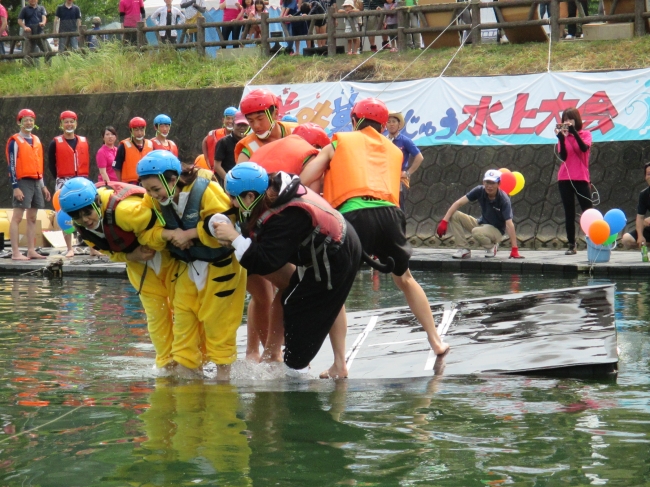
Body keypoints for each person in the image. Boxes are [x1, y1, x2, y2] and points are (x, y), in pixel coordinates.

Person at [300, 97, 449, 358]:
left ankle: (339, 363)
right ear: (382, 127)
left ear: (355, 121)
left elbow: (306, 178)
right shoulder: (394, 150)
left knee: (337, 289)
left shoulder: (340, 141)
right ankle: (436, 340)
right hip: (390, 215)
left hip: (354, 216)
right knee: (405, 279)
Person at [213, 164, 362, 378]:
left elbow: (265, 261)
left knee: (301, 321)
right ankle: (279, 355)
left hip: (334, 255)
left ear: (249, 196)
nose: (231, 203)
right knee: (310, 299)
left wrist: (235, 239)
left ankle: (301, 367)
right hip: (336, 243)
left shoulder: (286, 216)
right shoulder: (271, 192)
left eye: (234, 198)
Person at [137, 150, 247, 380]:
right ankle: (189, 373)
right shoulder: (152, 200)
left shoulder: (207, 191)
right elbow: (146, 233)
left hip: (221, 267)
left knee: (219, 324)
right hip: (187, 267)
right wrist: (168, 234)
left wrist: (191, 234)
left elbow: (227, 231)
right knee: (183, 320)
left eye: (156, 189)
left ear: (173, 179)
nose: (152, 195)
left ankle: (223, 377)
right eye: (147, 190)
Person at [58, 177, 178, 374]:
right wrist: (131, 255)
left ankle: (188, 358)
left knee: (181, 309)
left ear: (97, 202)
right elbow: (109, 252)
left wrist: (153, 241)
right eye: (77, 216)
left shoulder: (125, 211)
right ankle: (167, 362)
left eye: (88, 211)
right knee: (156, 315)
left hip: (168, 256)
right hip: (138, 264)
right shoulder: (82, 228)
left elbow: (163, 223)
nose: (85, 219)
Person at [437, 169, 523, 260]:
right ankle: (463, 249)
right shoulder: (479, 190)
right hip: (481, 223)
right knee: (454, 215)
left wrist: (514, 249)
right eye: (487, 182)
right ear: (483, 182)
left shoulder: (504, 199)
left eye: (492, 183)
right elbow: (458, 203)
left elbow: (509, 224)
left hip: (496, 231)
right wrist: (444, 221)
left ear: (499, 184)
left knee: (476, 231)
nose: (489, 186)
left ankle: (491, 247)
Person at [6, 109, 51, 261]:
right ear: (19, 122)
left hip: (36, 181)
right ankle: (15, 252)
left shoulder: (36, 140)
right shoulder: (15, 141)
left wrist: (43, 186)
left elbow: (39, 165)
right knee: (17, 217)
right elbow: (11, 165)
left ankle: (31, 250)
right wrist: (15, 187)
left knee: (32, 217)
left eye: (31, 119)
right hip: (22, 181)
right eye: (25, 120)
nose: (29, 122)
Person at [47, 110, 90, 258]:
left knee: (88, 211)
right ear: (61, 124)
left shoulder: (83, 141)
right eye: (66, 121)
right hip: (64, 180)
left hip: (82, 179)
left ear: (76, 123)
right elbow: (51, 164)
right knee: (65, 214)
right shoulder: (55, 142)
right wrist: (59, 179)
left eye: (72, 121)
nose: (69, 124)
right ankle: (69, 247)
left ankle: (91, 246)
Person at [555, 107, 592, 255]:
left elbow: (584, 148)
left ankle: (594, 242)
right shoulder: (563, 136)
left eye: (570, 119)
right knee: (569, 212)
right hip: (565, 178)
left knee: (588, 211)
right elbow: (563, 157)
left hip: (581, 178)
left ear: (576, 120)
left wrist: (573, 132)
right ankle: (571, 244)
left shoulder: (586, 134)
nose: (567, 122)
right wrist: (561, 139)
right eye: (565, 119)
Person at [235, 89, 298, 162]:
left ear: (275, 114)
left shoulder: (297, 131)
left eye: (260, 119)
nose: (256, 126)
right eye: (250, 121)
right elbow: (240, 172)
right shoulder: (248, 150)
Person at [386, 112, 423, 210]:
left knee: (399, 207)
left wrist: (407, 173)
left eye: (394, 121)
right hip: (385, 179)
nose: (391, 124)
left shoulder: (405, 140)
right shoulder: (383, 140)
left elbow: (419, 157)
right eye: (388, 122)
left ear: (399, 124)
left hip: (398, 180)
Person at [114, 117, 153, 184]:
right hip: (129, 183)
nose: (139, 133)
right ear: (131, 131)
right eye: (136, 130)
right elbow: (117, 167)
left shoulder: (150, 145)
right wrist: (121, 184)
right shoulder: (124, 146)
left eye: (142, 129)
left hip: (146, 182)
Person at [214, 111, 249, 183]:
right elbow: (217, 166)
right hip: (226, 184)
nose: (242, 128)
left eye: (244, 125)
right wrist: (229, 180)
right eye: (239, 125)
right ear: (233, 125)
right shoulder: (223, 142)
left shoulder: (250, 142)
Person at [622, 162, 650, 249]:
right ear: (645, 177)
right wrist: (640, 236)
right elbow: (640, 217)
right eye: (649, 174)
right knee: (627, 239)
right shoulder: (644, 194)